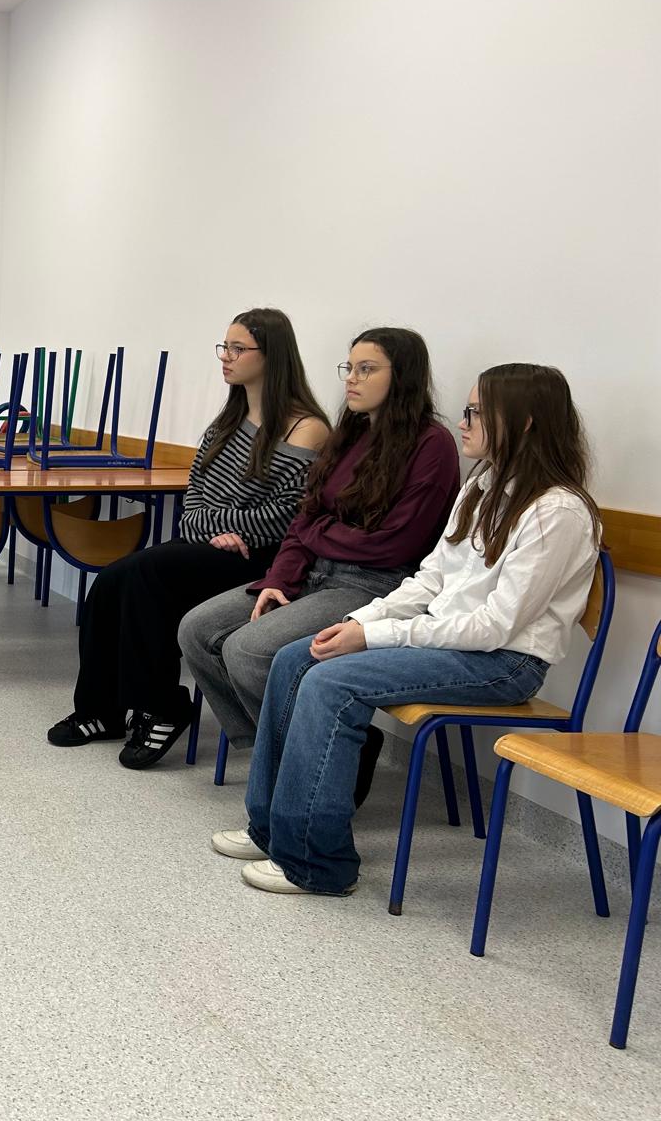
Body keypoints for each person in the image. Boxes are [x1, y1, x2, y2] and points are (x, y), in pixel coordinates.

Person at [215, 364, 601, 896]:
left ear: (526, 421)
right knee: (294, 659)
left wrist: (376, 637)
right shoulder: (484, 485)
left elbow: (494, 627)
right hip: (452, 641)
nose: (463, 422)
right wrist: (360, 620)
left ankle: (316, 864)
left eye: (476, 412)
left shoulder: (557, 512)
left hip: (504, 663)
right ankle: (271, 830)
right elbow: (429, 580)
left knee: (331, 683)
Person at [178, 328, 460, 798]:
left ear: (403, 376)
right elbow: (304, 519)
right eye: (349, 368)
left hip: (374, 585)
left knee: (247, 650)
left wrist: (318, 532)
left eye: (366, 369)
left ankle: (309, 767)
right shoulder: (351, 433)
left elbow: (394, 545)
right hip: (312, 573)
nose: (351, 379)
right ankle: (291, 756)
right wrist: (279, 579)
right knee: (197, 630)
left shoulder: (433, 444)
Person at [48, 308, 330, 766]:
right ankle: (100, 711)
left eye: (238, 348)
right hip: (208, 544)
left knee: (147, 576)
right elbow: (194, 496)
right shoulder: (227, 421)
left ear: (272, 356)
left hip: (259, 558)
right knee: (110, 582)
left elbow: (288, 517)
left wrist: (228, 530)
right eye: (225, 347)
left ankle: (161, 707)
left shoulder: (308, 429)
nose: (226, 357)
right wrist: (217, 529)